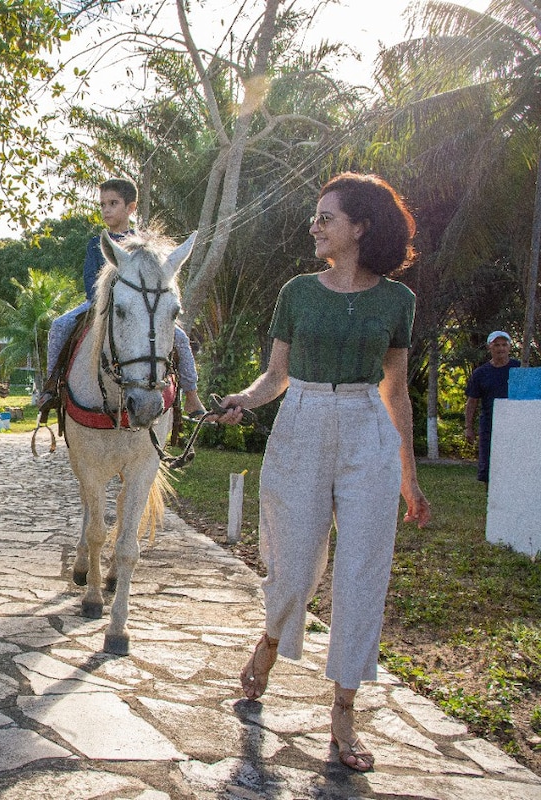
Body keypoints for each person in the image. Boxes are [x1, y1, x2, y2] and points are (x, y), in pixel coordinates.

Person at [215, 172, 431, 772]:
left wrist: (409, 475)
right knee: (293, 564)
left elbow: (397, 391)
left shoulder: (397, 302)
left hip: (367, 428)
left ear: (359, 228)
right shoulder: (297, 292)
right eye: (316, 217)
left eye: (325, 217)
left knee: (364, 569)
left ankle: (343, 708)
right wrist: (243, 399)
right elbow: (275, 376)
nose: (314, 225)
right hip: (303, 419)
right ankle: (272, 639)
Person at [35, 178, 205, 416]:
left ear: (131, 207)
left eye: (113, 203)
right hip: (99, 306)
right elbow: (90, 283)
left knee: (180, 338)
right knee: (59, 325)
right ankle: (52, 385)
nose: (106, 209)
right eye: (103, 204)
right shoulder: (97, 244)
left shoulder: (145, 248)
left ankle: (192, 395)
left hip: (140, 310)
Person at [465, 330, 520, 483]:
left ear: (509, 347)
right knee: (488, 468)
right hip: (490, 426)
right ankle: (491, 501)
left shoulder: (519, 369)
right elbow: (472, 402)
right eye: (497, 345)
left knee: (514, 466)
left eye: (504, 344)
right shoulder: (481, 373)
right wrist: (468, 427)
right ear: (490, 347)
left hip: (514, 425)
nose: (501, 348)